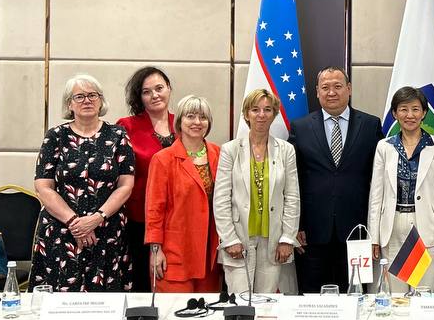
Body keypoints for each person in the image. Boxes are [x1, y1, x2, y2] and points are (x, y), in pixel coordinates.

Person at [288, 67, 382, 320]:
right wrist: (297, 225)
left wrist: (375, 229)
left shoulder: (371, 125)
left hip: (358, 232)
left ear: (349, 89)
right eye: (325, 87)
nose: (332, 92)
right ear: (317, 92)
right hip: (312, 232)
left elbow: (378, 180)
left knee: (356, 300)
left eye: (337, 86)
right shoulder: (301, 127)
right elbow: (294, 181)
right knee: (313, 300)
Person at [32, 75, 135, 292]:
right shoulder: (55, 136)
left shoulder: (118, 135)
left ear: (101, 100)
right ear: (69, 104)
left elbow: (126, 185)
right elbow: (43, 187)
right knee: (58, 302)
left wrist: (96, 219)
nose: (86, 100)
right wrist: (75, 223)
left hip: (107, 231)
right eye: (79, 96)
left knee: (106, 302)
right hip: (61, 232)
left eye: (92, 95)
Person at [214, 89, 301, 296]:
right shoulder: (230, 150)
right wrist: (229, 239)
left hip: (273, 240)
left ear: (274, 114)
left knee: (267, 306)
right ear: (246, 114)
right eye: (255, 110)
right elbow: (221, 199)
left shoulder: (286, 150)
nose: (261, 115)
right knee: (239, 304)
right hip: (238, 239)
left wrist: (287, 238)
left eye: (267, 110)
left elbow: (292, 197)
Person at [368, 86, 434, 292]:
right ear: (394, 113)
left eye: (415, 109)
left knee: (421, 292)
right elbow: (376, 195)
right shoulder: (384, 147)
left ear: (424, 113)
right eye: (403, 109)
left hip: (426, 225)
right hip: (392, 226)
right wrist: (374, 237)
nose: (410, 115)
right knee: (395, 294)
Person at [143, 94, 223, 295]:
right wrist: (155, 250)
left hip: (210, 254)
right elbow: (154, 210)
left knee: (209, 313)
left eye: (203, 117)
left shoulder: (220, 154)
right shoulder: (163, 159)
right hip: (175, 252)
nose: (197, 122)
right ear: (179, 121)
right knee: (174, 313)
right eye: (190, 116)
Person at [117, 66, 175, 292]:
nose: (155, 95)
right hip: (140, 219)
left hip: (178, 219)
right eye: (146, 91)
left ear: (169, 89)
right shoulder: (126, 126)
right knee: (143, 283)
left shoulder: (185, 122)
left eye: (159, 88)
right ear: (139, 97)